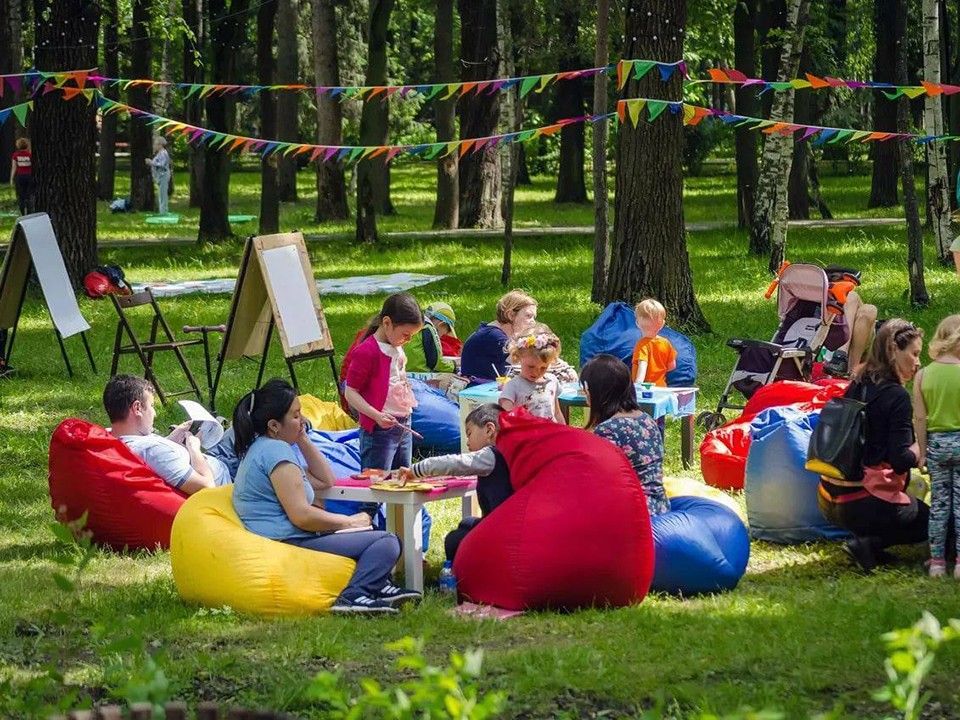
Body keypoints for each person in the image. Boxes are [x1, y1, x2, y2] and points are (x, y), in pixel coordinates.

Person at [231, 378, 418, 614]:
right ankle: (355, 595)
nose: (302, 420)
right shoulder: (276, 453)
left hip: (284, 536)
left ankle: (378, 586)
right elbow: (301, 516)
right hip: (287, 541)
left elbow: (326, 480)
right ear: (274, 425)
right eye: (296, 415)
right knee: (387, 541)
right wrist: (349, 521)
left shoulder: (264, 448)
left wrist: (302, 437)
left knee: (369, 534)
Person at [817, 319, 929, 573]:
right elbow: (900, 460)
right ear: (894, 350)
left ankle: (867, 542)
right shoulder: (897, 396)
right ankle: (868, 543)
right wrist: (922, 444)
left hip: (828, 497)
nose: (918, 362)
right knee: (937, 521)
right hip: (865, 501)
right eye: (914, 354)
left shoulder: (858, 382)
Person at [399, 403, 512, 562]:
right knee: (467, 523)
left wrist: (417, 469)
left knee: (454, 539)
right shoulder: (510, 451)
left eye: (469, 434)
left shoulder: (491, 455)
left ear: (489, 430)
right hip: (509, 522)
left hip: (502, 529)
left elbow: (455, 463)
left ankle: (462, 572)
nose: (467, 442)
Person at [343, 292, 423, 483]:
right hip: (379, 429)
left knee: (402, 481)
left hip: (403, 423)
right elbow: (350, 392)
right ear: (386, 323)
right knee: (377, 484)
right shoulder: (367, 351)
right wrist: (376, 415)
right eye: (406, 335)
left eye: (411, 336)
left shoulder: (395, 344)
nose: (408, 340)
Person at [103, 374, 231, 493]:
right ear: (137, 408)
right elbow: (207, 486)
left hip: (213, 460)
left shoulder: (109, 435)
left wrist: (172, 437)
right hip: (227, 474)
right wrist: (194, 448)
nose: (154, 414)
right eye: (152, 406)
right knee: (242, 417)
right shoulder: (154, 452)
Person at [581, 354, 669, 517]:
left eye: (586, 390)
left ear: (596, 392)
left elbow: (597, 479)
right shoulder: (646, 419)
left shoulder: (608, 430)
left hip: (634, 513)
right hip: (660, 506)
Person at [913, 314, 960, 578]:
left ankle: (938, 562)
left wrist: (922, 452)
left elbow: (920, 417)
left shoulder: (923, 375)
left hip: (937, 445)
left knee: (940, 505)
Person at [460, 290, 538, 381]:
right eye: (528, 316)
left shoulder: (492, 331)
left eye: (534, 317)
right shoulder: (494, 336)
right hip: (478, 386)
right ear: (510, 315)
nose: (533, 322)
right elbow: (524, 361)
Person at [498, 324, 564, 423]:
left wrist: (564, 429)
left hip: (550, 431)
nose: (536, 372)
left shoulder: (552, 381)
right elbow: (507, 416)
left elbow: (557, 413)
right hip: (526, 431)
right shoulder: (513, 385)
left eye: (543, 367)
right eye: (531, 366)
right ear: (518, 357)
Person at [822, 289, 879, 378]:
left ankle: (843, 359)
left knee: (869, 309)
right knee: (855, 298)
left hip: (856, 342)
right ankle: (850, 369)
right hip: (833, 337)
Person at [631, 298, 677, 387]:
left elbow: (642, 365)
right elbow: (672, 366)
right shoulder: (666, 343)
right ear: (662, 324)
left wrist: (638, 385)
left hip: (646, 389)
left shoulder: (642, 345)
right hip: (662, 387)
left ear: (637, 323)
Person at [406, 301, 456, 373]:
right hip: (420, 373)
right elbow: (435, 363)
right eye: (445, 333)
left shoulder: (413, 322)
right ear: (441, 324)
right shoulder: (428, 328)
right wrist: (453, 366)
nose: (441, 337)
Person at [145, 136, 172, 215]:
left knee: (162, 194)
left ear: (160, 145)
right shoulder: (160, 153)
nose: (154, 146)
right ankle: (162, 211)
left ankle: (163, 212)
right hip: (160, 176)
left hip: (163, 175)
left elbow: (161, 164)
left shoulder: (163, 153)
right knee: (161, 194)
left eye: (156, 144)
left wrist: (151, 162)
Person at [9, 137, 32, 216]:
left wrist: (11, 178)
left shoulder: (15, 155)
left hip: (20, 176)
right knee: (28, 195)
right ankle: (29, 212)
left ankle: (22, 213)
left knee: (21, 196)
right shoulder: (30, 154)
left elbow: (14, 167)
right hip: (29, 176)